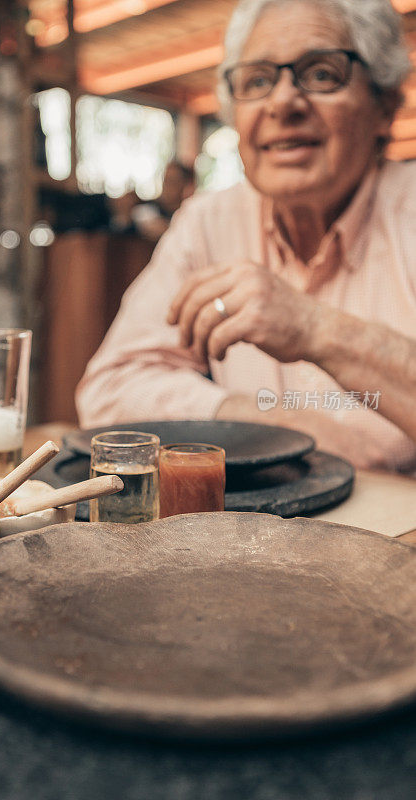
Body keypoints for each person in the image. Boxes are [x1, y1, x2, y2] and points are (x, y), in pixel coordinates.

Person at [76, 0, 416, 472]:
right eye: (257, 81)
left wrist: (315, 329)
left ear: (385, 106)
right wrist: (270, 428)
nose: (282, 103)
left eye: (321, 74)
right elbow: (111, 388)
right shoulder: (208, 222)